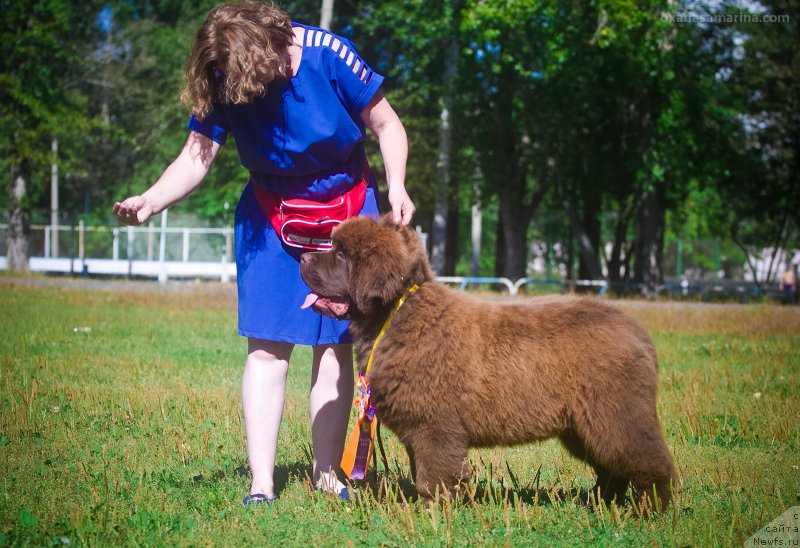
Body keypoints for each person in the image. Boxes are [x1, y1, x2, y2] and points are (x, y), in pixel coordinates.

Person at [112, 1, 415, 505]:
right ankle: (261, 484)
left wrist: (398, 185)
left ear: (273, 42)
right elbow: (197, 155)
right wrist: (151, 200)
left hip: (345, 213)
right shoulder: (225, 70)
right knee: (266, 349)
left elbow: (388, 125)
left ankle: (328, 475)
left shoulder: (329, 54)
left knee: (333, 347)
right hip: (271, 216)